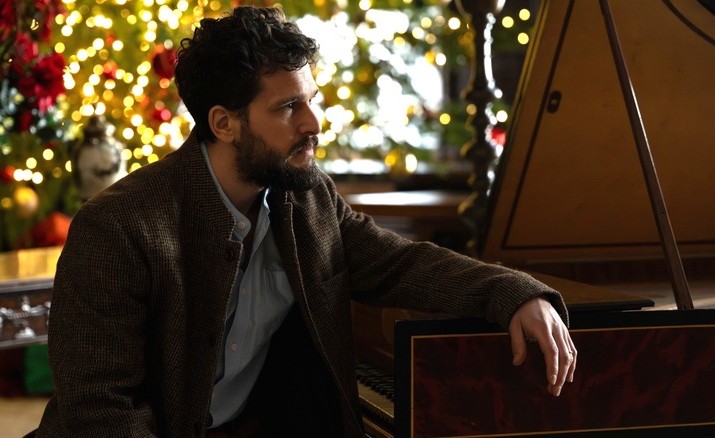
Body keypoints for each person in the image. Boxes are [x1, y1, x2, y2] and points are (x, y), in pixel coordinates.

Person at [34, 6, 576, 437]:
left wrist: (515, 291)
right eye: (288, 107)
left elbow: (401, 263)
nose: (314, 123)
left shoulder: (306, 197)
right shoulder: (117, 227)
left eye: (311, 101)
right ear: (223, 123)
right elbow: (101, 415)